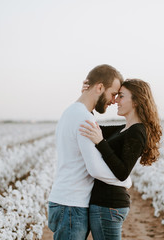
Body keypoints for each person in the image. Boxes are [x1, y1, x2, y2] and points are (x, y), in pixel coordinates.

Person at [47, 64, 132, 240]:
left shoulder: (72, 112)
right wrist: (125, 181)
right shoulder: (83, 117)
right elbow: (95, 169)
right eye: (113, 94)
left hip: (64, 202)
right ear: (99, 87)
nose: (114, 100)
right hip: (71, 207)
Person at [79, 79, 162, 240]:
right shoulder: (125, 128)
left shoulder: (137, 132)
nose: (116, 100)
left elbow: (122, 172)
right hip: (106, 204)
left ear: (137, 101)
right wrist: (86, 98)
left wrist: (100, 143)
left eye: (121, 96)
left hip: (109, 205)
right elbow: (93, 127)